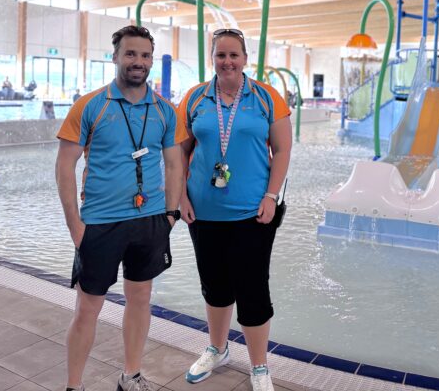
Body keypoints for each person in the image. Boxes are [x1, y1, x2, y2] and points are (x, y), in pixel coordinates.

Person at [55, 25, 187, 391]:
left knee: (140, 299)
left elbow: (174, 165)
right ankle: (74, 385)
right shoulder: (91, 106)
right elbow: (64, 167)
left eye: (145, 55)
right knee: (88, 308)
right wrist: (75, 227)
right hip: (100, 223)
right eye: (130, 54)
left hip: (150, 221)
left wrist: (170, 215)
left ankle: (131, 375)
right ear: (115, 57)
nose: (138, 61)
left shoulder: (164, 111)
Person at [178, 28, 292, 391]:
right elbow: (179, 151)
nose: (227, 61)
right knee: (214, 285)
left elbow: (283, 150)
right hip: (203, 212)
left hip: (252, 214)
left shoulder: (266, 97)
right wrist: (180, 197)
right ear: (212, 58)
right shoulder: (195, 98)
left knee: (252, 290)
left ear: (245, 58)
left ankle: (259, 366)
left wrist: (271, 196)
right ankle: (218, 348)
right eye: (220, 55)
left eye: (233, 55)